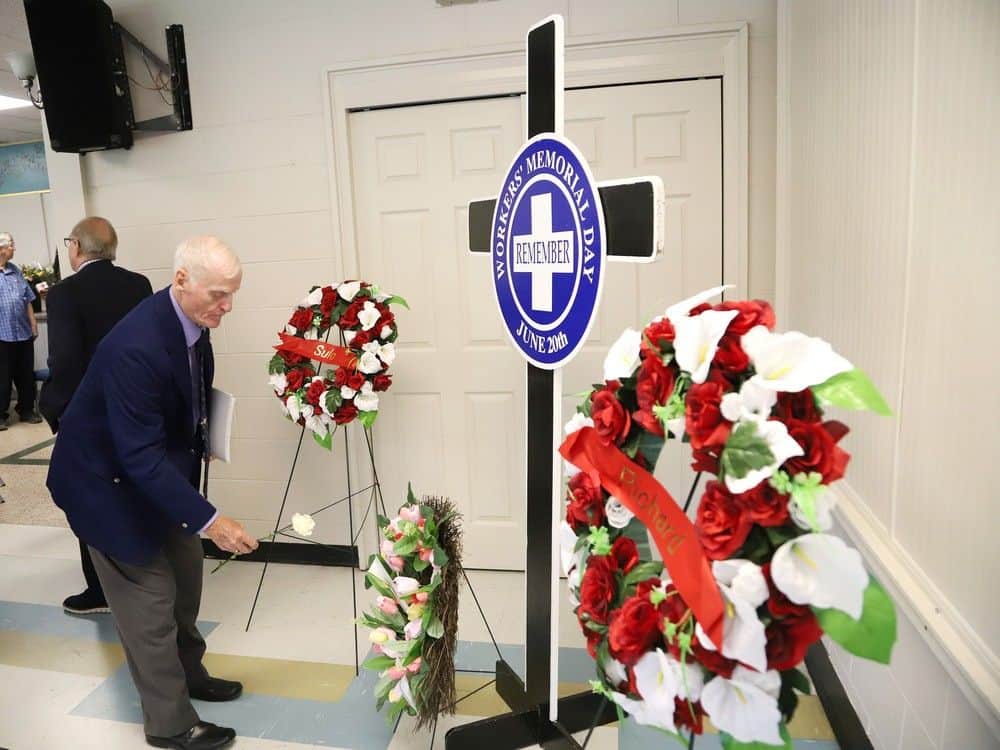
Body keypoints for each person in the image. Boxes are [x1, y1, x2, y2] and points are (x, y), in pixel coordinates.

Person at [47, 236, 258, 750]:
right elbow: (135, 456)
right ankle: (171, 723)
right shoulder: (136, 345)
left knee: (185, 581)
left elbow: (187, 394)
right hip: (105, 485)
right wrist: (214, 520)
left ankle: (191, 675)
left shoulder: (190, 321)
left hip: (154, 474)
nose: (226, 306)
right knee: (150, 605)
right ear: (182, 280)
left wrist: (202, 437)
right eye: (217, 294)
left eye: (232, 293)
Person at [39, 217, 154, 616]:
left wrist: (54, 409)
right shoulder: (138, 285)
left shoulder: (64, 293)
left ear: (77, 247)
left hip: (89, 415)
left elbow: (65, 361)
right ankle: (143, 574)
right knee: (135, 490)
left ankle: (100, 591)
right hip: (137, 408)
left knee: (88, 497)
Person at [0, 232, 42, 430]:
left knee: (25, 375)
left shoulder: (15, 270)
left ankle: (26, 409)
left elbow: (27, 299)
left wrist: (33, 323)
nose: (14, 248)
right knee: (2, 376)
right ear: (1, 249)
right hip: (2, 335)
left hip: (22, 333)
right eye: (11, 245)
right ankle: (0, 414)